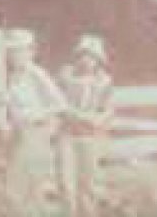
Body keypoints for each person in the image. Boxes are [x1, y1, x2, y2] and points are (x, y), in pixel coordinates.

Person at [1, 28, 69, 215]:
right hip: (20, 135)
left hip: (35, 135)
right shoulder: (14, 76)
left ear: (29, 52)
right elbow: (16, 102)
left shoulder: (36, 73)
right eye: (11, 52)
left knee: (24, 188)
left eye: (18, 51)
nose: (13, 56)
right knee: (16, 190)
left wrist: (34, 115)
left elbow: (60, 105)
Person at [57, 35, 114, 217]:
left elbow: (107, 111)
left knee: (88, 185)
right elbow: (58, 104)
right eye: (83, 56)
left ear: (99, 60)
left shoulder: (104, 82)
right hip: (67, 136)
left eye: (92, 57)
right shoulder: (66, 76)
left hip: (90, 138)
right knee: (66, 183)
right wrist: (80, 116)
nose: (86, 61)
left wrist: (98, 119)